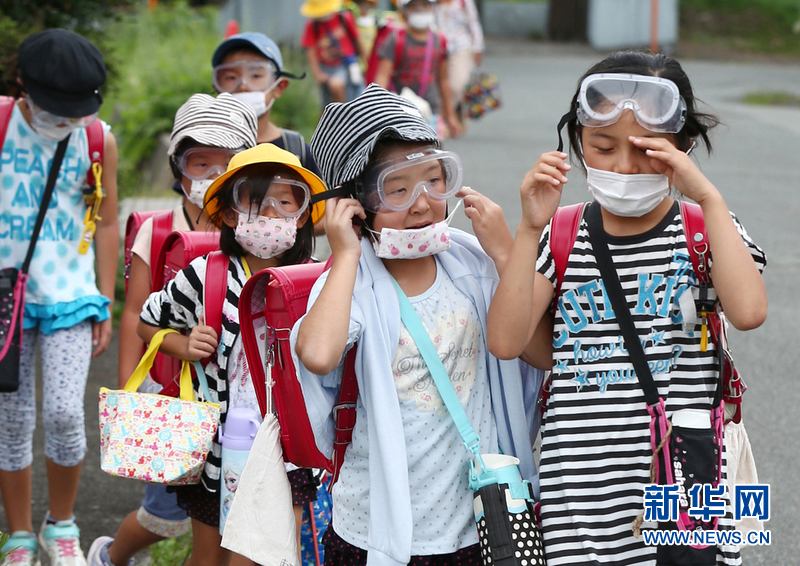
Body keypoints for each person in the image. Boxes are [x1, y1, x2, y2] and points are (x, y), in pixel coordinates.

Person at [486, 51, 768, 565]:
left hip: (685, 484)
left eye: (646, 149)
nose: (624, 165)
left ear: (682, 148)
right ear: (577, 144)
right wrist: (528, 228)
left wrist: (707, 197)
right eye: (603, 146)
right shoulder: (562, 235)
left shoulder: (705, 230)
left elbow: (748, 311)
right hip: (578, 495)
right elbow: (506, 341)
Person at [292, 84, 541, 565]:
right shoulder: (353, 280)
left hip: (480, 521)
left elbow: (536, 348)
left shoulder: (471, 260)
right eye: (397, 189)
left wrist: (507, 251)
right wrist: (343, 253)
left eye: (433, 180)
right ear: (356, 204)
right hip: (378, 528)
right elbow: (318, 354)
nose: (423, 203)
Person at [86, 92, 258, 566]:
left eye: (224, 163)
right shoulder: (156, 229)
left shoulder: (258, 232)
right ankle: (110, 556)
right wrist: (131, 390)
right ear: (177, 168)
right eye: (198, 162)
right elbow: (136, 312)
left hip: (235, 408)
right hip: (173, 400)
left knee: (222, 527)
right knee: (164, 514)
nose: (209, 175)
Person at [136, 143, 326, 566]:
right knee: (210, 557)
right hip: (215, 451)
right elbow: (147, 321)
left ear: (302, 215)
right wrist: (182, 344)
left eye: (284, 202)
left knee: (270, 552)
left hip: (289, 450)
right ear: (227, 213)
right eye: (254, 203)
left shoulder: (315, 279)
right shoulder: (207, 273)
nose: (270, 216)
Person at [0, 29, 119, 566]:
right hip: (5, 298)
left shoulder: (98, 139)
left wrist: (105, 297)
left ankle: (62, 525)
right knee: (11, 418)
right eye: (56, 109)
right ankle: (20, 534)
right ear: (22, 84)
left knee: (68, 414)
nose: (65, 120)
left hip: (70, 295)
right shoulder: (1, 124)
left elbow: (109, 219)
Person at [211, 32, 323, 180]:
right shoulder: (206, 148)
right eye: (231, 77)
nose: (243, 86)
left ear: (279, 87)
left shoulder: (297, 150)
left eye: (255, 76)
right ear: (217, 87)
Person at [374, 0, 462, 140]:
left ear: (432, 8)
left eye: (425, 5)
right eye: (414, 6)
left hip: (431, 110)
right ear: (405, 10)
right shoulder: (396, 38)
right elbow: (382, 77)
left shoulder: (440, 40)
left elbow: (443, 79)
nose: (420, 9)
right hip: (400, 111)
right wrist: (376, 111)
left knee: (432, 157)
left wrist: (450, 115)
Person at [300, 0, 366, 106]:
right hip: (326, 67)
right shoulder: (313, 25)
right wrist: (318, 74)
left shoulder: (344, 17)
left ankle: (344, 115)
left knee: (350, 91)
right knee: (326, 101)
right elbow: (310, 51)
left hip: (347, 63)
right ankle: (336, 118)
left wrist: (366, 62)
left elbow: (357, 40)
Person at [434, 0, 484, 129]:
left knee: (457, 85)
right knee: (439, 84)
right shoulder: (432, 2)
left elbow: (474, 22)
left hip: (460, 47)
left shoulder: (464, 2)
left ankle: (446, 117)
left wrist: (478, 47)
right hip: (436, 47)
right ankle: (445, 119)